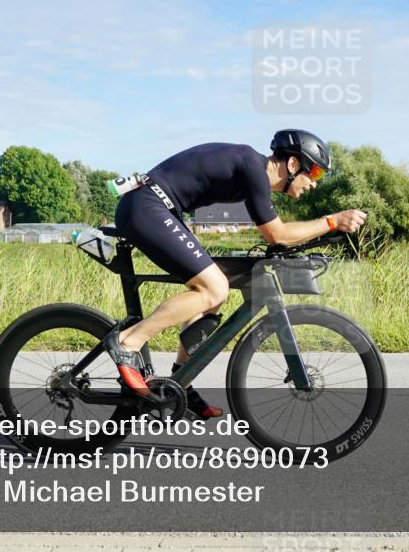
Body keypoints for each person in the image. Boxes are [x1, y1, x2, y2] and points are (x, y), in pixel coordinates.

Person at [106, 129, 367, 418]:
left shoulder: (252, 170)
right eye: (314, 173)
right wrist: (331, 221)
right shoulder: (253, 168)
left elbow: (276, 234)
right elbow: (277, 235)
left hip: (155, 207)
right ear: (293, 164)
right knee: (214, 287)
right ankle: (128, 341)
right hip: (147, 206)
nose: (314, 184)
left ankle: (181, 381)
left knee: (214, 294)